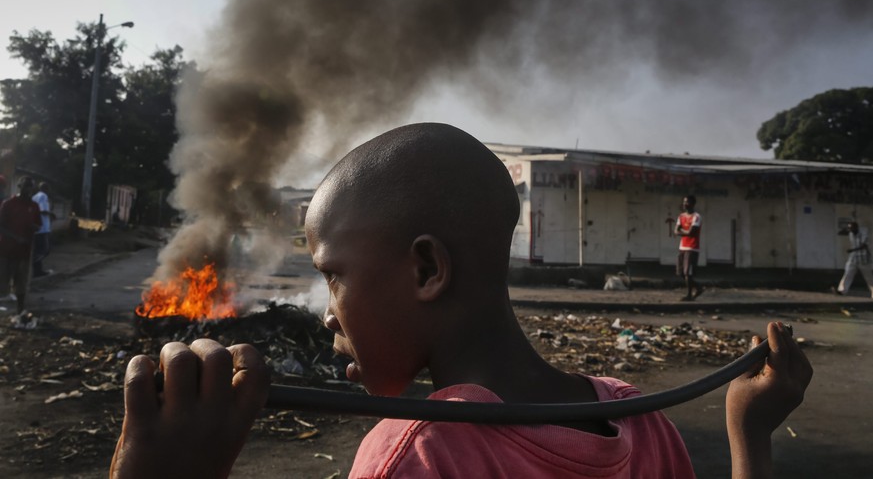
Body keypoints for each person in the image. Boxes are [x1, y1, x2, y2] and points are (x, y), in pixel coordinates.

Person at [109, 124, 812, 478]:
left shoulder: (417, 454)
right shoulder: (640, 422)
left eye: (332, 276)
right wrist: (747, 434)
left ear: (424, 269)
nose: (326, 312)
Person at [0, 176, 42, 319]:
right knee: (2, 282)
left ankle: (20, 312)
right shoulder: (8, 204)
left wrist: (34, 227)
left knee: (21, 284)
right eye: (25, 186)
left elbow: (38, 225)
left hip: (24, 251)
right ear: (19, 187)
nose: (28, 189)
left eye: (30, 187)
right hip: (5, 250)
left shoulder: (34, 206)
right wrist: (15, 237)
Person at [833, 221, 873, 298]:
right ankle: (842, 290)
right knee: (847, 273)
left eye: (852, 228)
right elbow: (843, 232)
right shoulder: (851, 233)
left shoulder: (863, 233)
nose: (851, 230)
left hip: (864, 259)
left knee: (869, 277)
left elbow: (864, 246)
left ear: (856, 228)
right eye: (849, 229)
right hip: (853, 258)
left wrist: (853, 250)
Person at [675, 194, 704, 301]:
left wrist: (681, 231)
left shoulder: (697, 217)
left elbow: (691, 233)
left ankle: (689, 295)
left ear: (693, 203)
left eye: (687, 202)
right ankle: (698, 287)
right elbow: (675, 231)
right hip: (682, 247)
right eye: (684, 202)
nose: (684, 204)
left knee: (687, 272)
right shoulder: (681, 216)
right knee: (680, 272)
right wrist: (684, 232)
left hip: (692, 247)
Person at [31, 181, 55, 278]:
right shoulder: (43, 196)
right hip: (42, 228)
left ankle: (37, 271)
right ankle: (32, 264)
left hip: (36, 227)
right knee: (45, 250)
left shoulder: (34, 197)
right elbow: (42, 210)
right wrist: (51, 214)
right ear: (46, 189)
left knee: (38, 250)